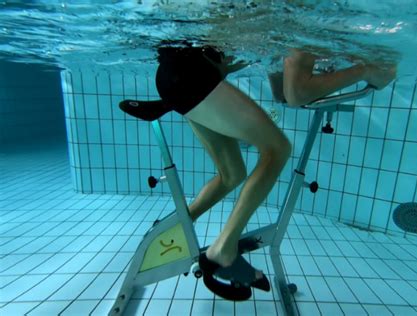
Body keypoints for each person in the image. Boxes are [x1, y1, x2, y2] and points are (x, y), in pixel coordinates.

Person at [120, 41, 396, 299]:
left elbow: (282, 93)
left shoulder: (279, 31)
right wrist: (365, 69)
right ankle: (223, 250)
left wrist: (319, 79)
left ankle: (179, 224)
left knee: (232, 174)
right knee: (277, 149)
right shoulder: (309, 23)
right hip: (194, 77)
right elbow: (298, 93)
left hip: (178, 77)